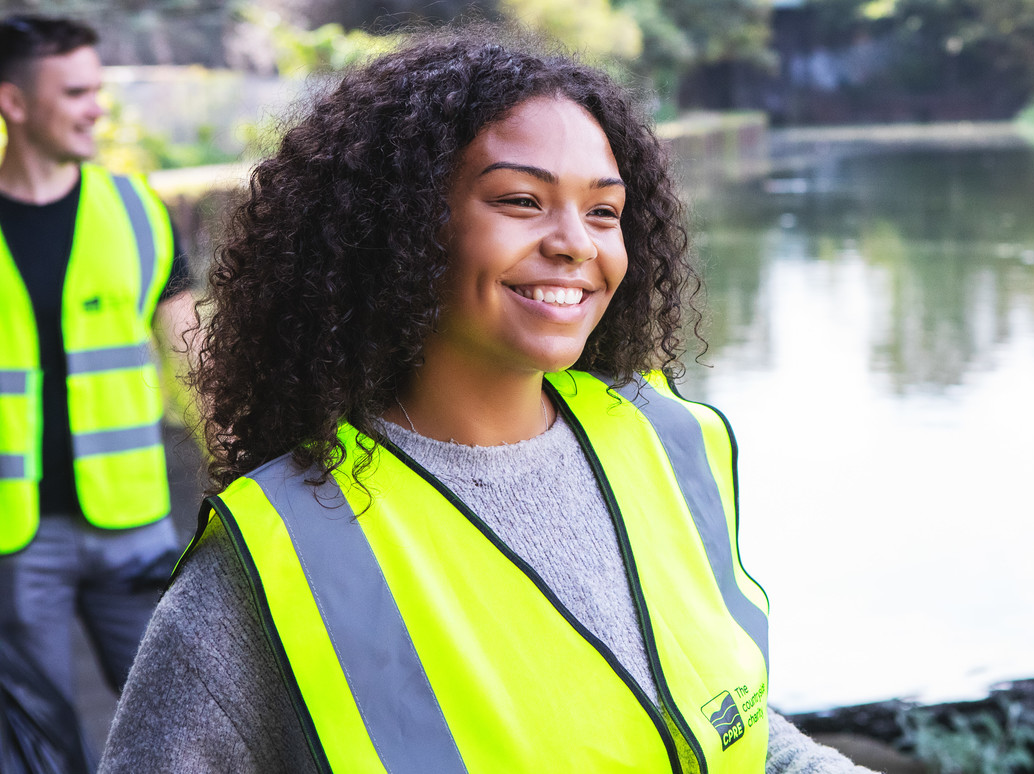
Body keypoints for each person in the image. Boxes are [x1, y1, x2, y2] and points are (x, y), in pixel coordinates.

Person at [102, 28, 874, 773]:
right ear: (399, 227)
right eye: (520, 200)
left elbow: (718, 728)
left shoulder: (667, 441)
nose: (576, 241)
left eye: (603, 211)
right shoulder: (285, 556)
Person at [0, 13, 195, 765]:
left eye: (99, 88)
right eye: (76, 91)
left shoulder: (137, 213)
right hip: (17, 540)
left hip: (134, 522)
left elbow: (193, 362)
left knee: (183, 722)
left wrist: (239, 484)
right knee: (37, 745)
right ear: (14, 103)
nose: (96, 107)